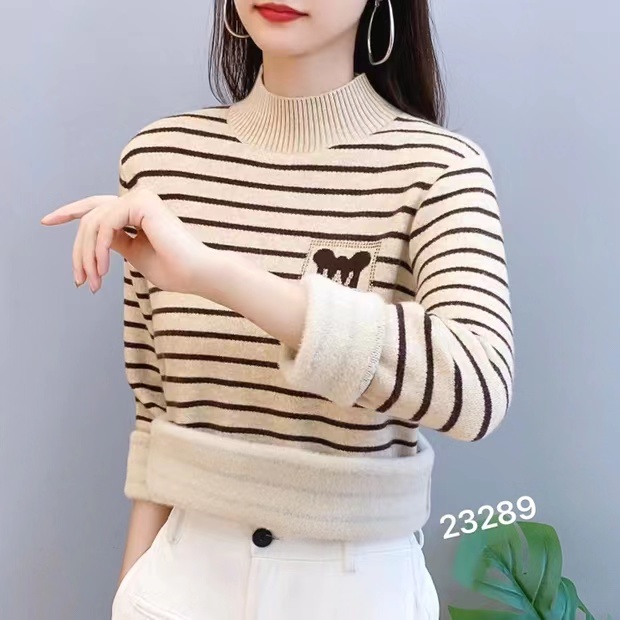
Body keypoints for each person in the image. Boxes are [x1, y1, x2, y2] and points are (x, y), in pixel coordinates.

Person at [41, 0, 515, 617]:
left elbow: (479, 386)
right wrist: (127, 598)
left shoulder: (439, 170)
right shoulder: (159, 160)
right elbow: (156, 415)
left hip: (355, 588)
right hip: (178, 584)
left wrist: (215, 275)